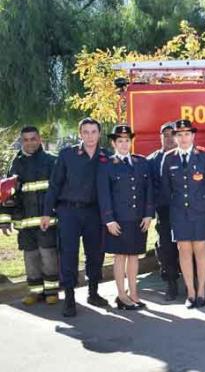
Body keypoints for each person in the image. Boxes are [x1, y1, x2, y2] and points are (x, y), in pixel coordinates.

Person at [42, 117, 111, 317]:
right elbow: (54, 185)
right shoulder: (67, 155)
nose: (90, 136)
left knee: (96, 254)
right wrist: (47, 212)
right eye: (86, 132)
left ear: (99, 134)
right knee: (69, 254)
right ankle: (70, 298)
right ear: (80, 134)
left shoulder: (106, 156)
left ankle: (93, 292)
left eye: (94, 132)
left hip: (94, 213)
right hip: (69, 211)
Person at [161, 119, 205, 309]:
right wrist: (177, 207)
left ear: (193, 136)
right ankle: (190, 293)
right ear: (175, 137)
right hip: (179, 213)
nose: (184, 138)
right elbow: (166, 188)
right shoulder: (169, 158)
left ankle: (201, 290)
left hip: (201, 213)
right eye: (180, 134)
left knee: (200, 251)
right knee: (184, 252)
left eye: (187, 134)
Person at [97, 125, 154, 310]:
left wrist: (148, 214)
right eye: (120, 140)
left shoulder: (141, 162)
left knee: (134, 256)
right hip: (118, 220)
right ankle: (121, 295)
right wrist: (109, 219)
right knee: (120, 256)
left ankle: (134, 293)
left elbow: (148, 191)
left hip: (138, 218)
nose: (124, 144)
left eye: (127, 140)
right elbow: (103, 194)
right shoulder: (106, 165)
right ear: (113, 143)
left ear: (131, 142)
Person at [0, 126, 59, 305]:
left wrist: (52, 214)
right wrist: (4, 220)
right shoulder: (16, 163)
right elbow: (7, 193)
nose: (30, 142)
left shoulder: (51, 161)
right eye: (26, 139)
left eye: (33, 138)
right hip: (24, 222)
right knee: (30, 257)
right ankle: (35, 292)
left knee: (48, 256)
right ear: (22, 141)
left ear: (39, 139)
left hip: (45, 220)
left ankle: (51, 291)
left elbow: (57, 191)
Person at [147, 121, 181, 301]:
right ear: (160, 137)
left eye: (172, 134)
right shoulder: (152, 160)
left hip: (185, 212)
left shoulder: (184, 155)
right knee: (166, 248)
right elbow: (149, 188)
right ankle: (171, 283)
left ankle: (194, 284)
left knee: (188, 248)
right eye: (165, 135)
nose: (169, 138)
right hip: (165, 211)